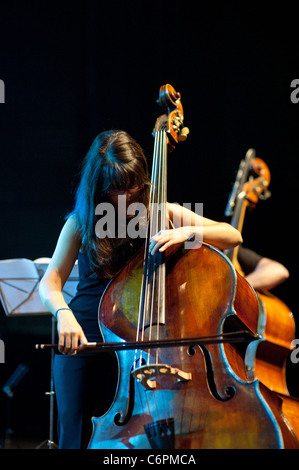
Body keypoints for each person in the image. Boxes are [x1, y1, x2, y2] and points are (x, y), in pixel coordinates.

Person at [39, 129, 242, 449]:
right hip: (87, 339)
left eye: (133, 186)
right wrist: (64, 314)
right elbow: (50, 281)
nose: (126, 195)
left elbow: (232, 235)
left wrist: (188, 233)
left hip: (143, 345)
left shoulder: (163, 211)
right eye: (116, 189)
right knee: (75, 438)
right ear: (98, 188)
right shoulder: (80, 222)